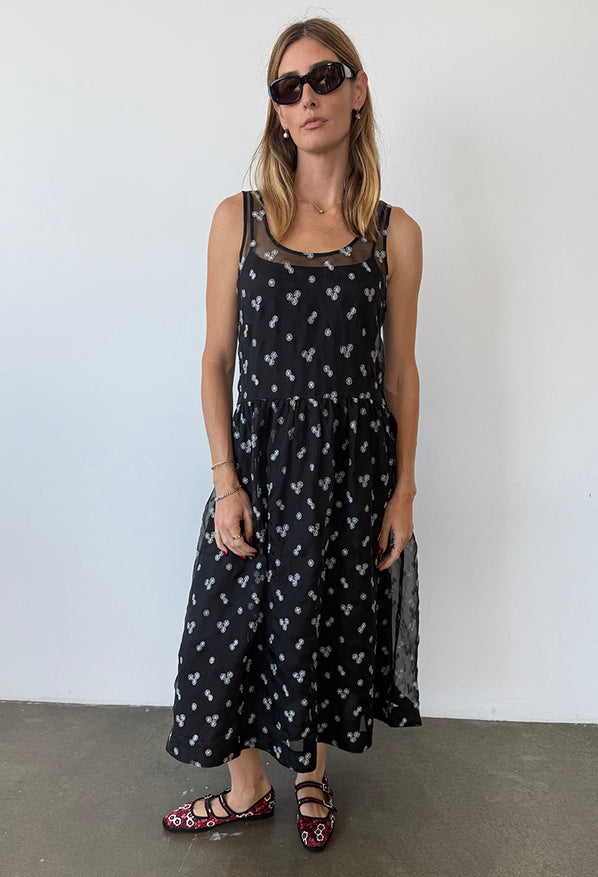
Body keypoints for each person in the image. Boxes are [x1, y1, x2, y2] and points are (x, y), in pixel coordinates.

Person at [162, 16, 423, 852]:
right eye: (287, 87)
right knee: (226, 629)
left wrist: (404, 491)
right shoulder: (237, 219)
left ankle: (310, 775)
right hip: (261, 470)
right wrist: (226, 479)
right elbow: (214, 361)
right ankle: (247, 788)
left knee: (320, 626)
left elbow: (400, 377)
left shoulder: (396, 234)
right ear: (276, 112)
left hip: (351, 474)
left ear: (357, 89)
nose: (306, 97)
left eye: (323, 77)